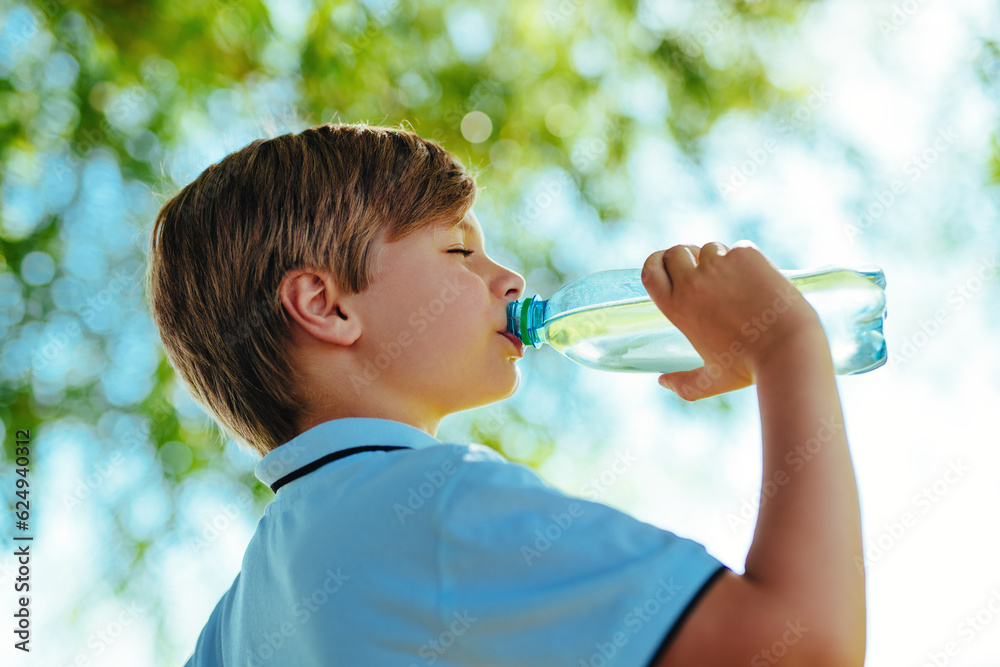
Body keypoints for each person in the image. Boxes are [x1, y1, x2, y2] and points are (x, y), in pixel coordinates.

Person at [146, 123, 866, 666]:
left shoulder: (234, 626)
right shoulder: (437, 505)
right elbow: (804, 642)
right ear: (327, 305)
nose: (509, 279)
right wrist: (787, 346)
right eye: (459, 250)